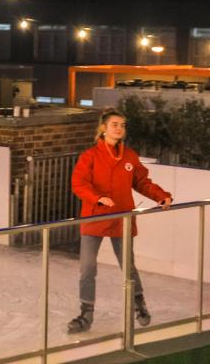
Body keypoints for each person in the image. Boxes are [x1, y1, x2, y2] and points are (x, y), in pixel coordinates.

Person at [67, 108, 172, 333]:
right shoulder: (90, 156)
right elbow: (79, 184)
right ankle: (86, 313)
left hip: (121, 218)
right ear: (103, 128)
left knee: (128, 266)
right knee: (87, 268)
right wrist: (98, 198)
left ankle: (138, 303)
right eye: (115, 124)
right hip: (95, 217)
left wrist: (162, 195)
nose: (119, 128)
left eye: (123, 125)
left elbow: (142, 182)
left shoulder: (129, 156)